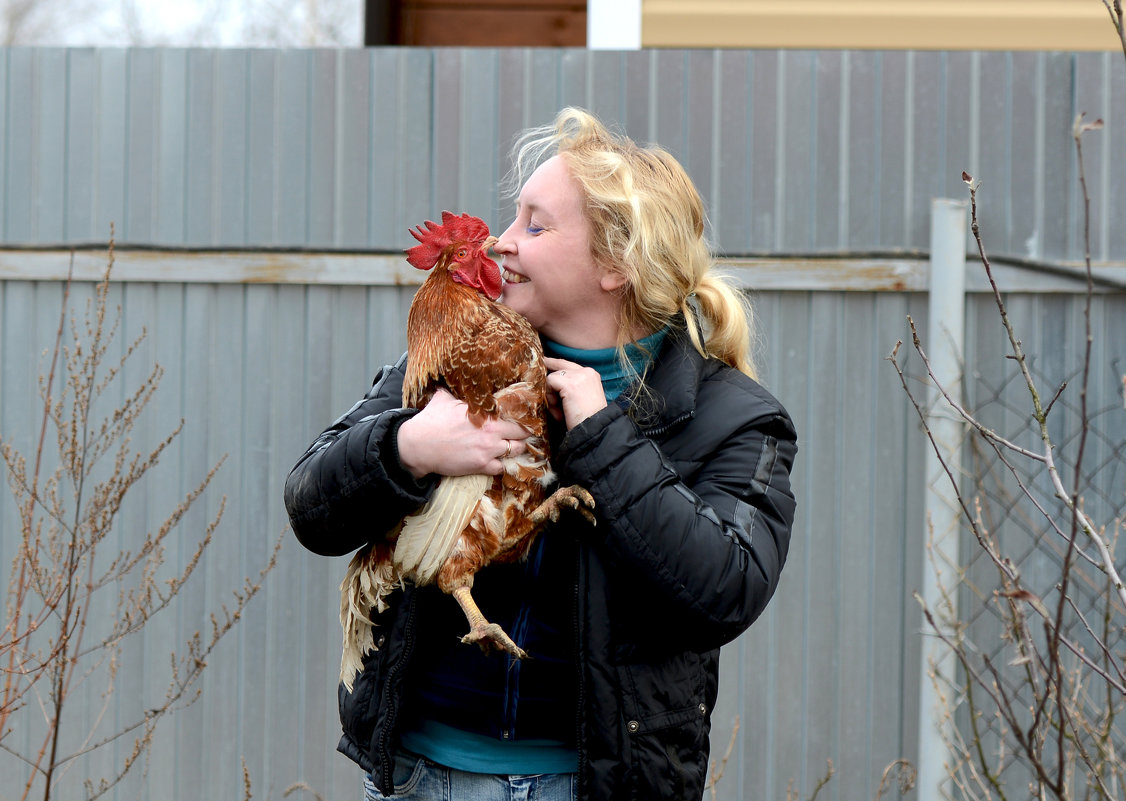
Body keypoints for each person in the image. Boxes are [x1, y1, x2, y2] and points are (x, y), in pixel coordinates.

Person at [284, 107, 798, 801]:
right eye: (511, 218)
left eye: (535, 223)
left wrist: (601, 436)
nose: (502, 242)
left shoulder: (732, 417)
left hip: (583, 786)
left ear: (615, 263)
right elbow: (310, 506)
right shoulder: (459, 368)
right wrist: (407, 447)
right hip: (419, 777)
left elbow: (722, 592)